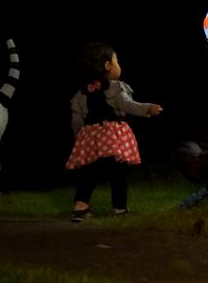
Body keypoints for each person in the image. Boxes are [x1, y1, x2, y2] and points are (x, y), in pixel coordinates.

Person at [65, 43, 162, 222]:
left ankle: (80, 207)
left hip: (91, 138)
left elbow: (76, 119)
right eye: (117, 60)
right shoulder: (117, 87)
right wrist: (147, 108)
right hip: (112, 137)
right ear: (107, 66)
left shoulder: (81, 93)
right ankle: (119, 208)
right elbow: (127, 105)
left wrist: (79, 138)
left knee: (89, 171)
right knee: (118, 172)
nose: (119, 64)